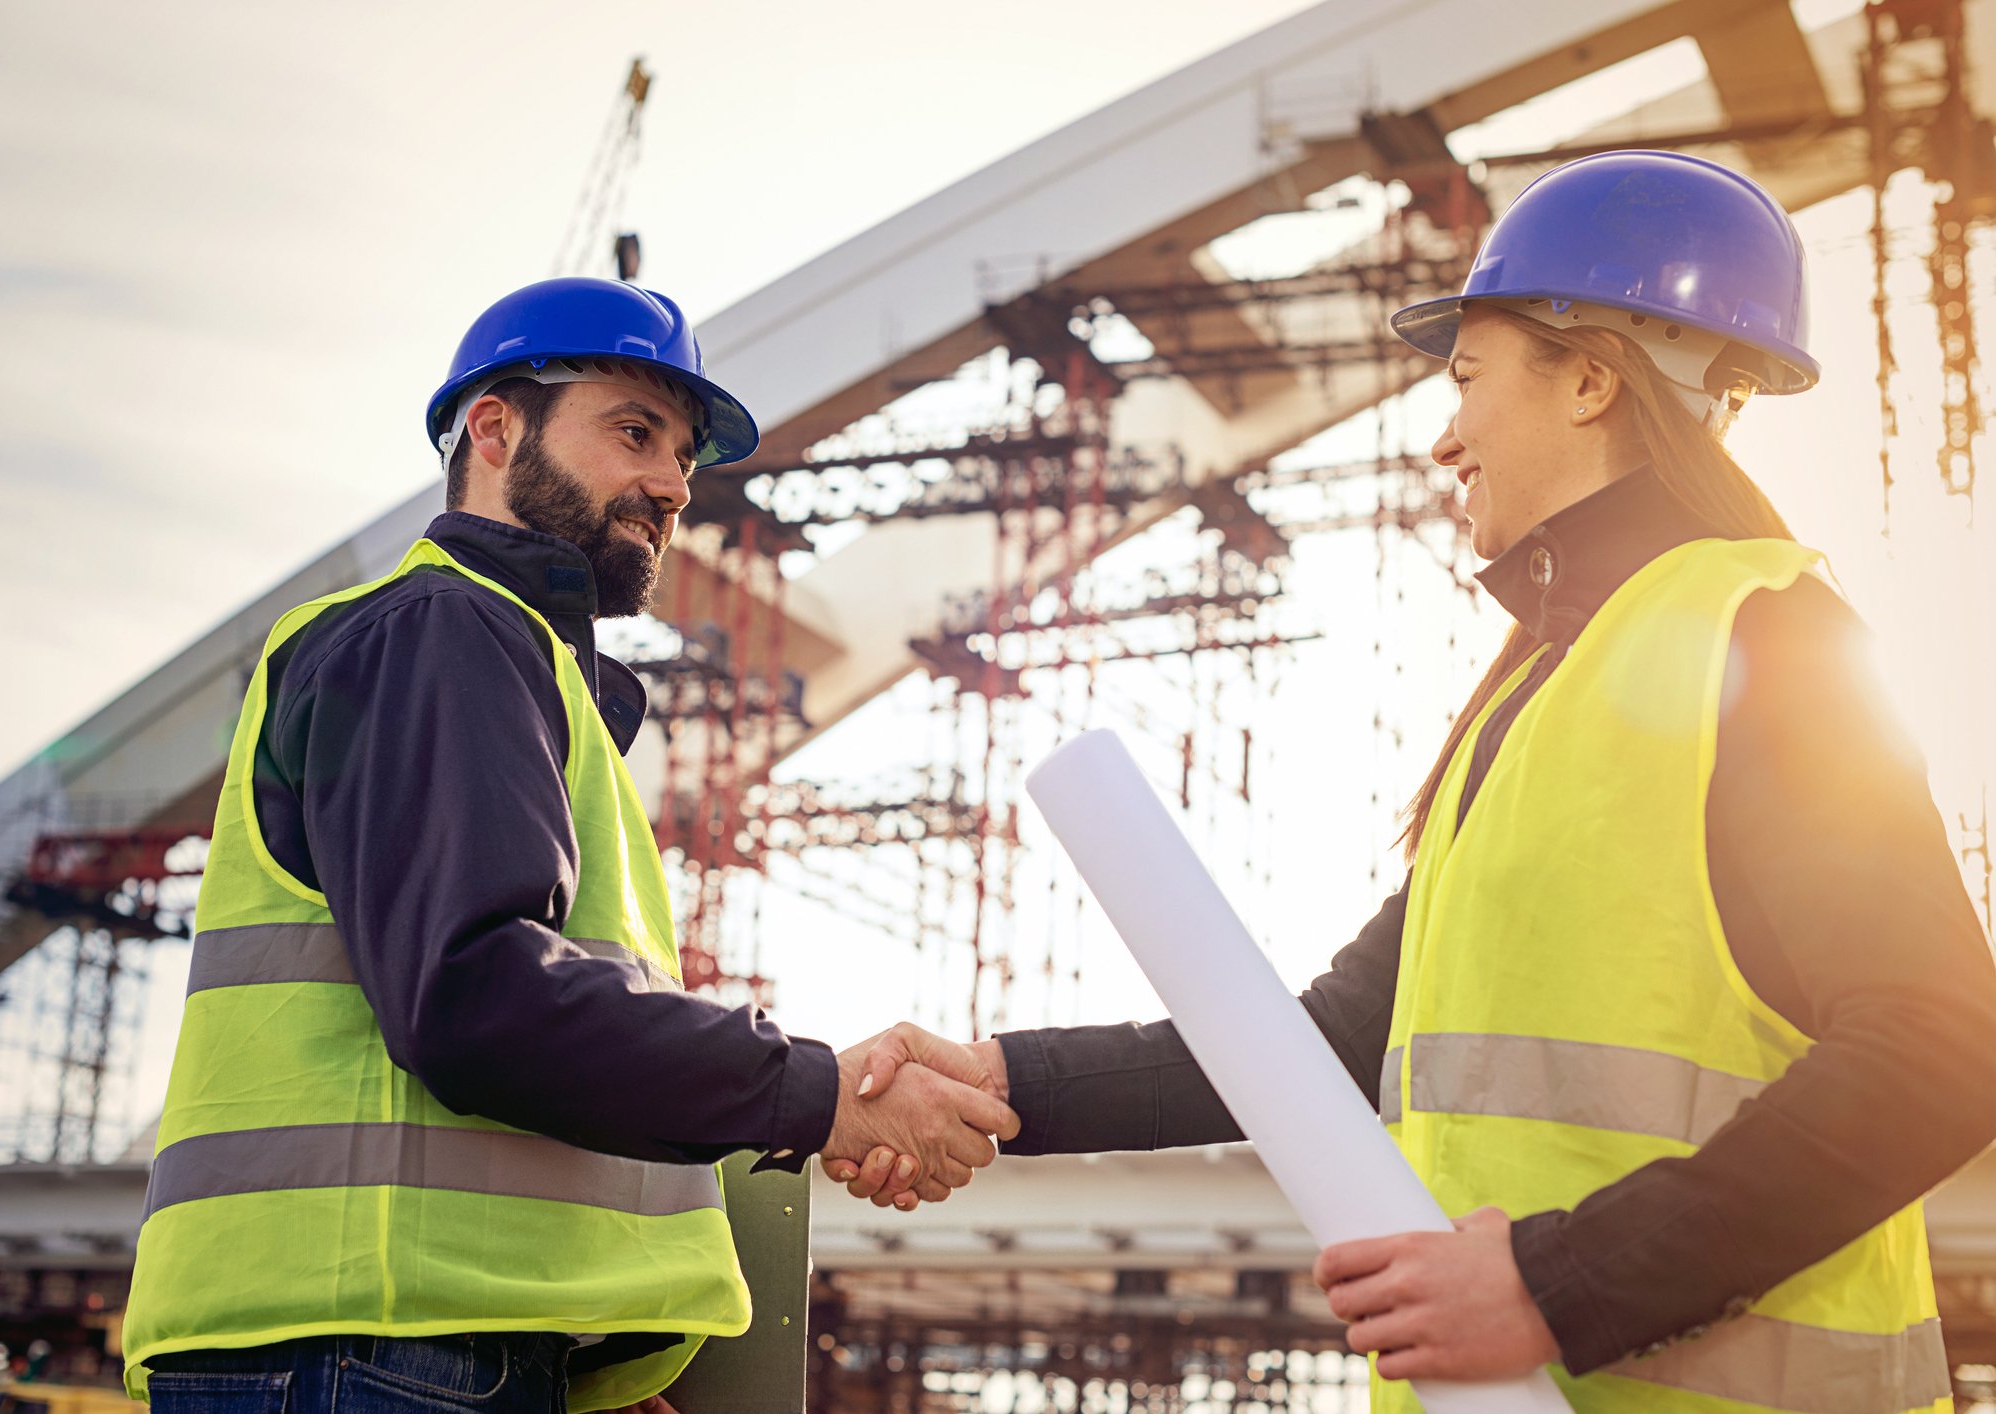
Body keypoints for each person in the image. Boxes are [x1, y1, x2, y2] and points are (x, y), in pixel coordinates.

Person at [831, 152, 1996, 1411]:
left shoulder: (1767, 638)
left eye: (1465, 376)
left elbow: (1942, 1045)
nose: (1445, 438)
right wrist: (1001, 1083)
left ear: (1593, 378)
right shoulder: (1540, 692)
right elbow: (1336, 1039)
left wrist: (1555, 1285)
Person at [121, 277, 1015, 1414]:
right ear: (493, 427)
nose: (672, 484)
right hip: (374, 1343)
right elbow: (477, 997)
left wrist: (573, 1362)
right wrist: (823, 1093)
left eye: (686, 455)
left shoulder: (519, 674)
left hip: (414, 1341)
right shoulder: (441, 632)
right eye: (633, 431)